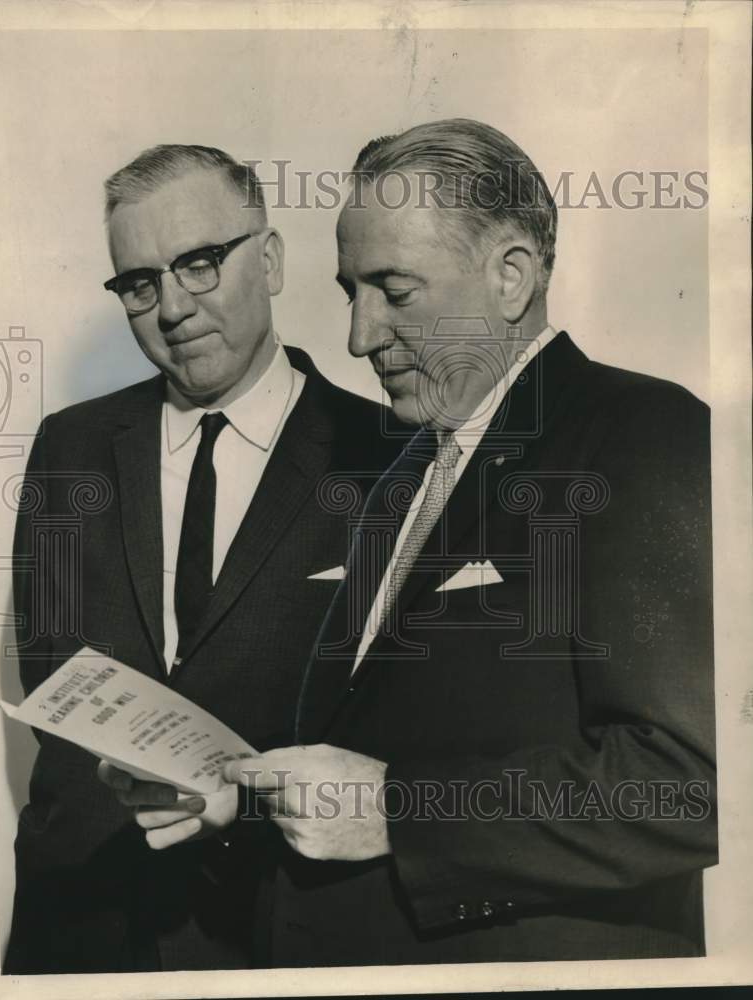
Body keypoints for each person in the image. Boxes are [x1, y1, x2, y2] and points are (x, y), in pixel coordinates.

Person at [213, 118, 715, 964]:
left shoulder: (643, 433)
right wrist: (237, 792)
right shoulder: (408, 468)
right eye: (350, 292)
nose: (359, 336)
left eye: (395, 291)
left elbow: (691, 783)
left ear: (512, 275)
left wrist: (399, 811)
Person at [4, 143, 406, 974]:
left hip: (281, 933)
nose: (173, 307)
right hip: (82, 927)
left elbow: (402, 725)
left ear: (269, 261)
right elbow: (53, 674)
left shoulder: (388, 457)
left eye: (198, 263)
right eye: (141, 283)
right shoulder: (69, 447)